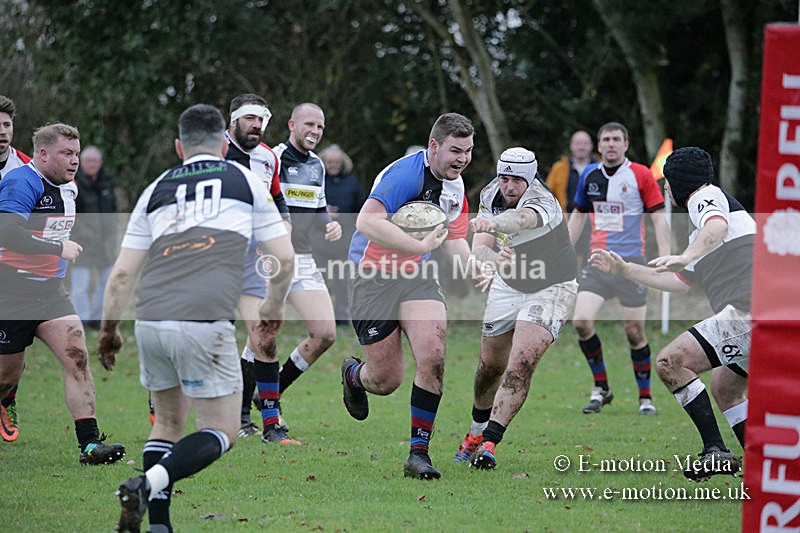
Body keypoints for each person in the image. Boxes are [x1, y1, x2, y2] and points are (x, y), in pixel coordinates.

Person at [98, 103, 294, 532]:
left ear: (178, 147)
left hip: (150, 318)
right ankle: (147, 484)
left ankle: (158, 527)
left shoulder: (158, 186)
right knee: (222, 431)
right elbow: (283, 256)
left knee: (166, 424)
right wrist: (273, 307)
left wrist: (110, 331)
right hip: (203, 319)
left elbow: (122, 274)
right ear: (225, 145)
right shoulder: (242, 178)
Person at [588, 146, 750, 480]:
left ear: (678, 183)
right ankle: (767, 465)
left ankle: (715, 451)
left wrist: (684, 254)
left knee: (670, 362)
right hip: (759, 312)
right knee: (725, 386)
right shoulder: (701, 228)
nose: (664, 189)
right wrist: (625, 270)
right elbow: (678, 281)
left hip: (750, 312)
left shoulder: (705, 198)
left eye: (666, 183)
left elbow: (715, 226)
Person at [341, 112, 472, 480]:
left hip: (417, 277)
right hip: (373, 278)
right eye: (455, 151)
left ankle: (419, 454)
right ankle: (354, 376)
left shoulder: (455, 185)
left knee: (433, 356)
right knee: (386, 381)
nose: (462, 159)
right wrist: (418, 244)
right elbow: (366, 222)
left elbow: (456, 237)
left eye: (468, 152)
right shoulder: (404, 175)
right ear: (434, 146)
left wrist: (475, 265)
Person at [0, 123, 125, 463]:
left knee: (77, 358)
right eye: (66, 154)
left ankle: (89, 445)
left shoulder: (69, 187)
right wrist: (58, 247)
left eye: (76, 153)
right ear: (42, 154)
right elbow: (7, 231)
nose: (74, 161)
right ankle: (5, 399)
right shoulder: (21, 182)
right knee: (7, 375)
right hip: (10, 293)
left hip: (50, 294)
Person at [454, 147, 578, 470]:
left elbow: (520, 219)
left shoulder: (542, 201)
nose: (509, 186)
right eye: (504, 178)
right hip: (508, 286)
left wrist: (490, 223)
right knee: (489, 367)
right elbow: (479, 249)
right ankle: (476, 431)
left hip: (552, 287)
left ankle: (490, 442)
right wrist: (493, 260)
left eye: (516, 181)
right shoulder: (491, 194)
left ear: (530, 179)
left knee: (521, 361)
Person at [567, 122, 671, 416]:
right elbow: (577, 217)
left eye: (616, 139)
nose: (611, 144)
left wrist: (666, 258)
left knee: (634, 331)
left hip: (631, 265)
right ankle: (602, 389)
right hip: (597, 263)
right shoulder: (589, 175)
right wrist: (560, 253)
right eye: (606, 140)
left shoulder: (640, 175)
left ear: (626, 144)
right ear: (599, 146)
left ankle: (645, 398)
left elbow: (659, 219)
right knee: (581, 321)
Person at [219, 93, 299, 444]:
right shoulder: (213, 151)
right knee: (206, 340)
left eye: (261, 119)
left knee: (263, 336)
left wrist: (283, 226)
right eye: (249, 118)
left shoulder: (268, 158)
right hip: (211, 260)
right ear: (232, 120)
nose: (256, 125)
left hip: (252, 260)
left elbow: (278, 196)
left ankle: (271, 425)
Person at [264, 103, 341, 434]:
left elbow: (319, 205)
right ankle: (243, 416)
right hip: (271, 260)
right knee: (262, 334)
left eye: (321, 127)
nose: (315, 131)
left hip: (305, 259)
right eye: (309, 124)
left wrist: (329, 225)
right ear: (292, 124)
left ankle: (270, 392)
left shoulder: (318, 165)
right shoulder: (272, 158)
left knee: (325, 333)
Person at [0, 94, 31, 441]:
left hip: (13, 269)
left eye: (6, 125)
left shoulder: (25, 168)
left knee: (11, 349)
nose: (2, 131)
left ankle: (8, 398)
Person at [311, 143, 365, 325]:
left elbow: (361, 209)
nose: (333, 165)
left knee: (343, 280)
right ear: (323, 162)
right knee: (320, 279)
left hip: (345, 239)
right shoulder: (316, 180)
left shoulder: (351, 182)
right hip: (319, 238)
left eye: (336, 162)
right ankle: (320, 316)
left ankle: (341, 316)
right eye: (329, 162)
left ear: (342, 163)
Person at [70, 146, 118, 330]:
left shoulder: (107, 182)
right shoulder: (75, 183)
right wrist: (87, 235)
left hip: (105, 243)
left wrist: (111, 237)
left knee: (107, 282)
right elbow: (73, 215)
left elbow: (113, 211)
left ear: (100, 163)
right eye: (88, 161)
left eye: (95, 161)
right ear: (82, 163)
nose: (92, 164)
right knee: (80, 285)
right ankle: (82, 320)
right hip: (83, 243)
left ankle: (97, 319)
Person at [545, 130, 597, 264]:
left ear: (591, 146)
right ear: (571, 146)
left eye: (585, 143)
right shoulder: (559, 168)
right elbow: (547, 194)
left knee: (592, 257)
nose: (581, 147)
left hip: (594, 222)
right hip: (567, 219)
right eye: (578, 143)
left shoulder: (600, 167)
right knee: (566, 255)